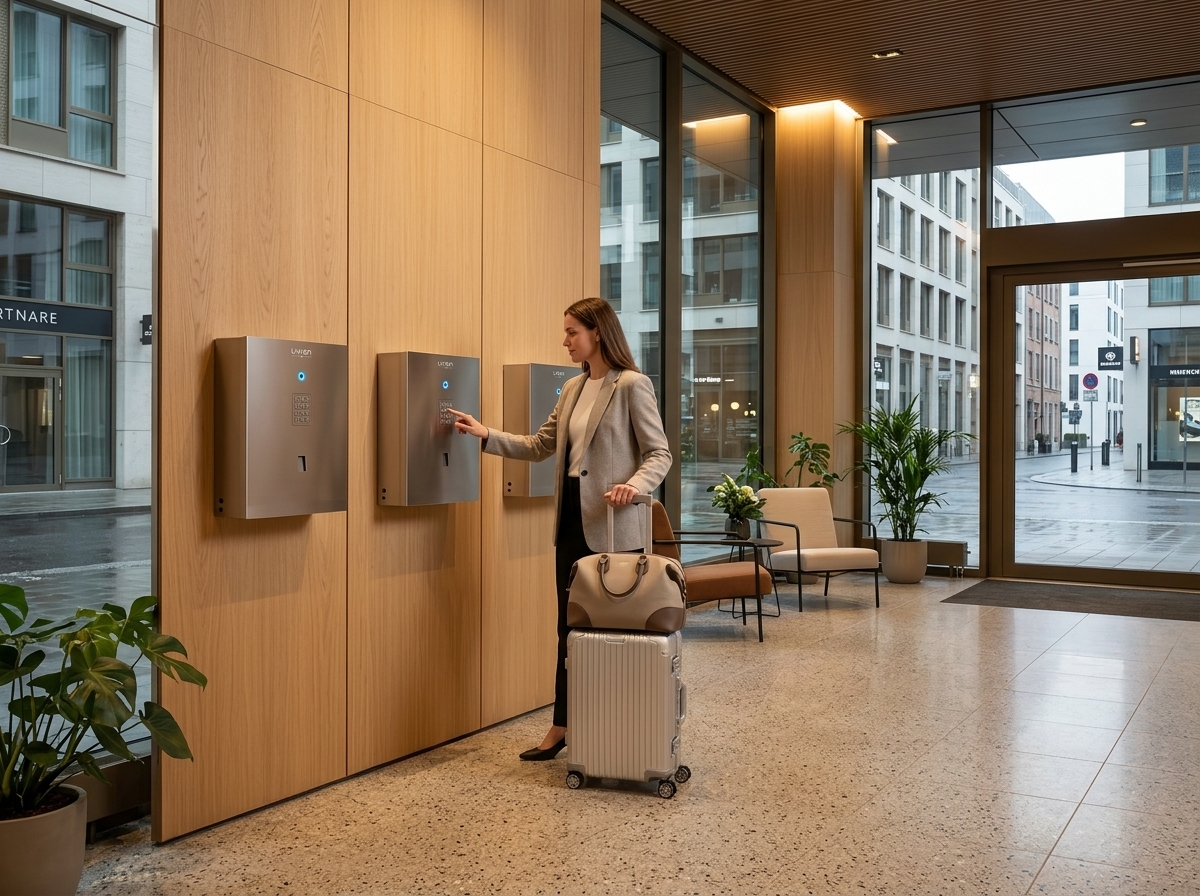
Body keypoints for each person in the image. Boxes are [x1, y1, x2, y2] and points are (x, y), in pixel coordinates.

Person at [448, 297, 671, 760]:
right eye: (566, 332)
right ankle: (562, 724)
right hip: (570, 518)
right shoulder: (572, 389)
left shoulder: (632, 385)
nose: (565, 340)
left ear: (597, 333)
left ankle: (617, 726)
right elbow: (540, 445)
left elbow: (659, 454)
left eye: (572, 332)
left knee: (614, 629)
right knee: (568, 627)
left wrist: (633, 486)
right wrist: (485, 434)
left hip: (612, 526)